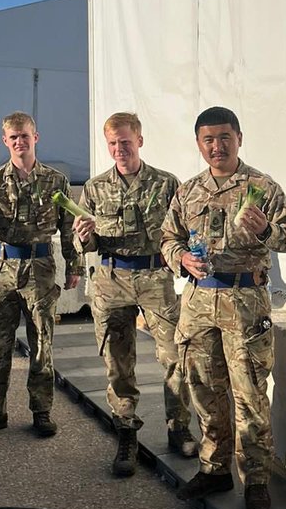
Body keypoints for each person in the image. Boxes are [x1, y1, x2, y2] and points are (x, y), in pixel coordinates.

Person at [160, 106, 286, 509]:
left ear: (239, 138)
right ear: (198, 143)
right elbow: (168, 238)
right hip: (199, 304)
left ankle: (256, 480)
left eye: (224, 137)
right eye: (208, 139)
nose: (217, 146)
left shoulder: (262, 187)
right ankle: (214, 468)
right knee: (204, 389)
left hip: (245, 304)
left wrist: (266, 230)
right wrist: (181, 258)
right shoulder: (188, 191)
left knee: (250, 394)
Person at [72, 111, 196, 478]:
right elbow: (87, 243)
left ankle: (178, 427)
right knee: (117, 359)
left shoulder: (166, 184)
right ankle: (126, 432)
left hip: (155, 277)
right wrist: (83, 237)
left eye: (125, 142)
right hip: (112, 280)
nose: (119, 149)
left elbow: (181, 232)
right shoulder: (95, 188)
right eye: (112, 143)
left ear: (139, 141)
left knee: (174, 355)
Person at [0, 111, 82, 439]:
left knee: (42, 343)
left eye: (24, 136)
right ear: (5, 140)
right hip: (2, 271)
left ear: (35, 137)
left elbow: (69, 227)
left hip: (40, 270)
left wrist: (74, 265)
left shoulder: (56, 181)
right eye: (13, 137)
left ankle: (41, 411)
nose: (19, 142)